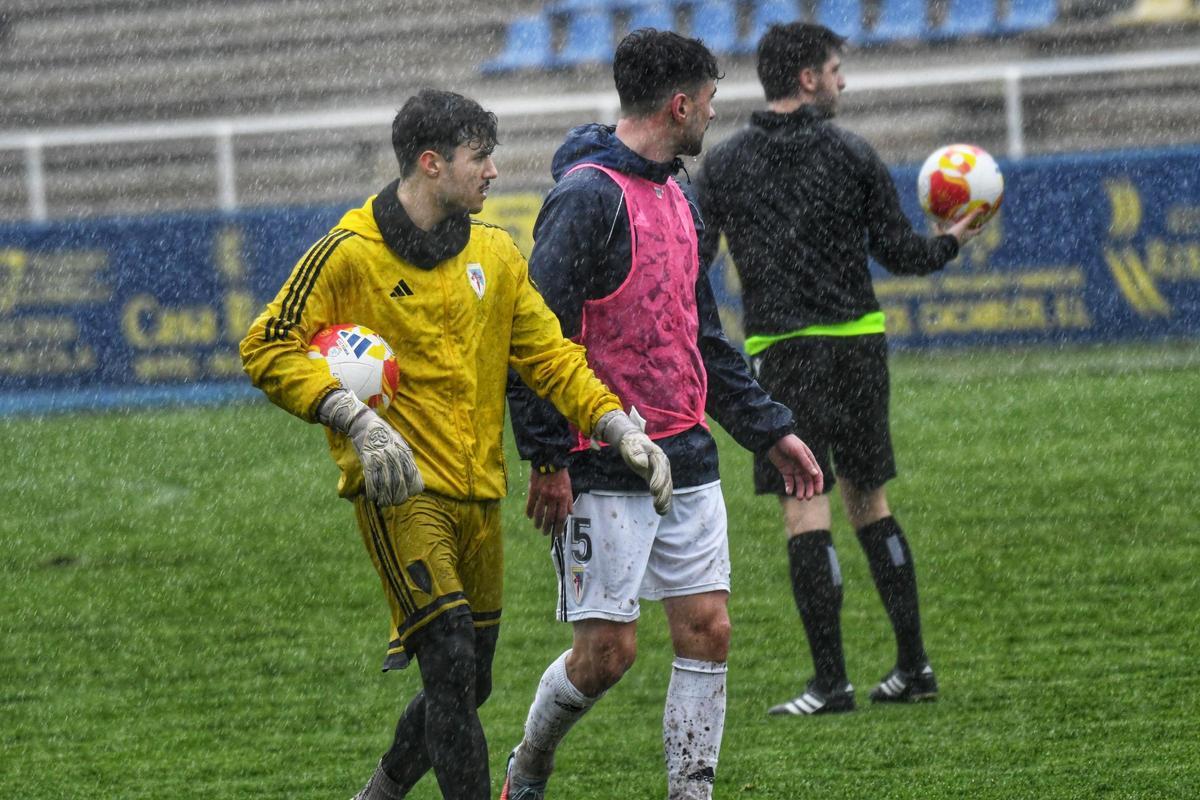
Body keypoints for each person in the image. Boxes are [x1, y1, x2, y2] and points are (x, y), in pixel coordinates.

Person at [239, 89, 673, 800]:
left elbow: (549, 357)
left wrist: (612, 422)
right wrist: (352, 415)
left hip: (479, 496)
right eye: (482, 158)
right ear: (432, 164)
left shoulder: (496, 255)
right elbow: (266, 345)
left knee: (470, 683)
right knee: (446, 661)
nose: (495, 172)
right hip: (400, 492)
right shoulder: (350, 252)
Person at [501, 30, 823, 800]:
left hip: (687, 453)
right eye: (709, 100)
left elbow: (700, 335)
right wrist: (548, 457)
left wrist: (769, 428)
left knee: (708, 629)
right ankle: (528, 766)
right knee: (608, 655)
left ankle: (692, 792)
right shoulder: (585, 199)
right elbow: (532, 337)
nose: (714, 113)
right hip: (600, 460)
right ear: (679, 104)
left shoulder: (681, 194)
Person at [695, 22, 985, 717]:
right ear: (807, 80)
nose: (842, 81)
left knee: (806, 508)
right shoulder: (852, 151)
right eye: (835, 69)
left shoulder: (726, 163)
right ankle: (913, 666)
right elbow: (900, 253)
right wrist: (950, 243)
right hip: (858, 346)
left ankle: (831, 684)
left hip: (782, 353)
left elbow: (691, 263)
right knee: (869, 501)